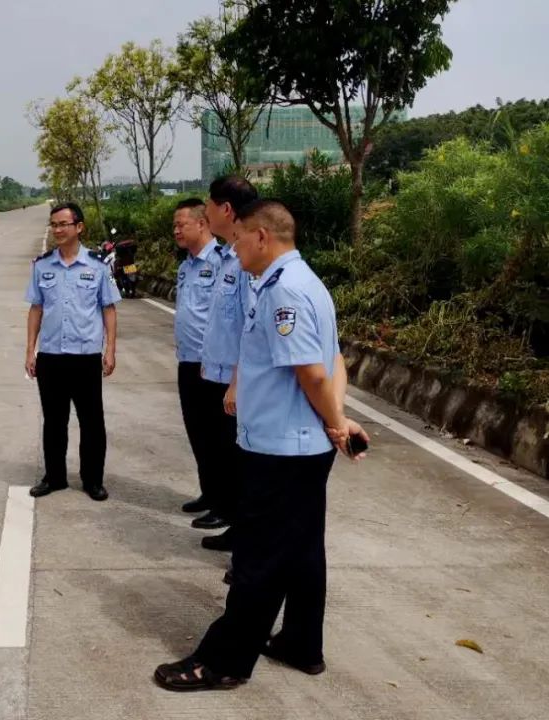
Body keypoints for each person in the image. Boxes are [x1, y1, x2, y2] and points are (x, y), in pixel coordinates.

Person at [153, 199, 369, 692]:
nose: (234, 248)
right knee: (303, 550)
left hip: (280, 450)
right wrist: (337, 421)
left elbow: (313, 372)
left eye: (237, 239)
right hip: (302, 446)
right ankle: (300, 643)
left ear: (261, 238)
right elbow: (335, 360)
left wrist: (336, 422)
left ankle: (224, 661)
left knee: (258, 559)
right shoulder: (308, 282)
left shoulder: (282, 292)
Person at [25, 202, 120, 501]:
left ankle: (93, 479)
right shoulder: (42, 266)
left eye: (64, 224)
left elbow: (109, 309)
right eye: (54, 224)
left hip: (85, 356)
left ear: (79, 227)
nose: (58, 230)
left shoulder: (97, 266)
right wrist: (30, 350)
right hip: (51, 356)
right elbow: (36, 308)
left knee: (92, 421)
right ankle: (54, 477)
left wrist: (111, 349)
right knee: (54, 421)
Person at [195, 176, 259, 554]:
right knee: (228, 460)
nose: (205, 211)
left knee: (242, 465)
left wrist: (237, 383)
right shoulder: (230, 256)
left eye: (209, 205)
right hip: (217, 376)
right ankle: (238, 531)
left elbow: (251, 327)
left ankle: (247, 544)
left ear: (226, 210)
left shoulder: (248, 260)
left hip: (237, 382)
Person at [170, 198, 227, 531]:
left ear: (202, 223)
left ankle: (224, 504)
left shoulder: (222, 263)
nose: (176, 230)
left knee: (219, 437)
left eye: (182, 224)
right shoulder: (185, 266)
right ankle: (209, 493)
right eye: (174, 226)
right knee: (197, 433)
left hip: (214, 365)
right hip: (187, 362)